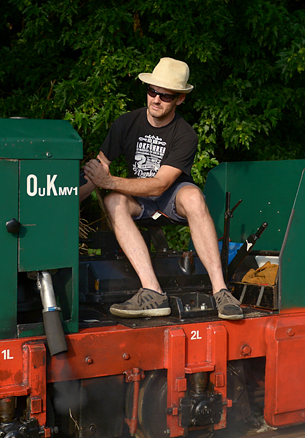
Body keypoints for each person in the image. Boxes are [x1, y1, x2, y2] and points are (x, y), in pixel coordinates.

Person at [80, 57, 244, 321]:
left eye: (165, 96)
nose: (156, 99)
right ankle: (152, 292)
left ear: (180, 99)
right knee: (113, 201)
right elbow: (100, 168)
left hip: (170, 199)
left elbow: (160, 184)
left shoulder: (185, 134)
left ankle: (221, 291)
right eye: (152, 91)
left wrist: (109, 181)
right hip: (140, 202)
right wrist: (66, 200)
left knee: (192, 195)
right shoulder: (126, 123)